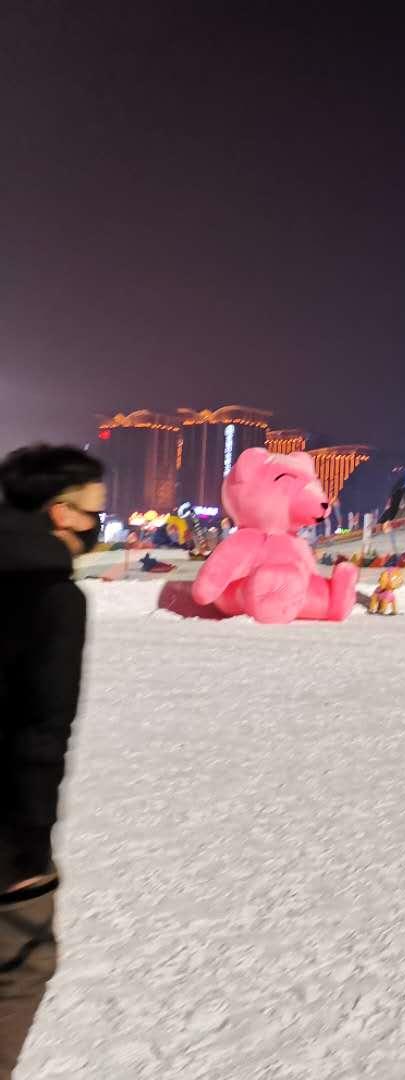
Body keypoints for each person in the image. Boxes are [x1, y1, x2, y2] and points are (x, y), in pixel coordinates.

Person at [0, 444, 106, 1076]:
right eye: (94, 510)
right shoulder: (51, 595)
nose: (99, 523)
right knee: (22, 963)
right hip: (2, 820)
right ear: (61, 513)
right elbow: (42, 735)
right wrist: (30, 849)